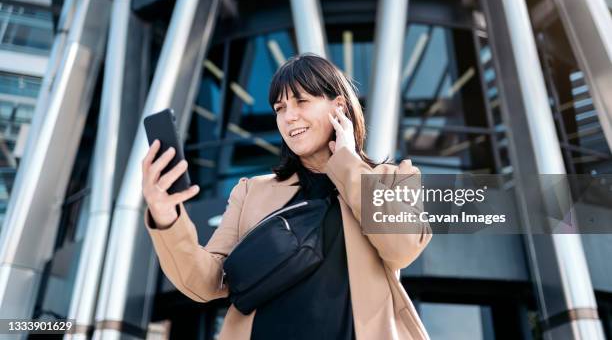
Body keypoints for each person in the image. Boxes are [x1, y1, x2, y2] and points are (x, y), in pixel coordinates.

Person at [142, 54, 433, 339]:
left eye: (301, 101)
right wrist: (167, 219)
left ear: (339, 108)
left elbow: (403, 247)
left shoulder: (394, 179)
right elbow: (208, 281)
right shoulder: (251, 191)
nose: (289, 116)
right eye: (280, 108)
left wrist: (345, 162)